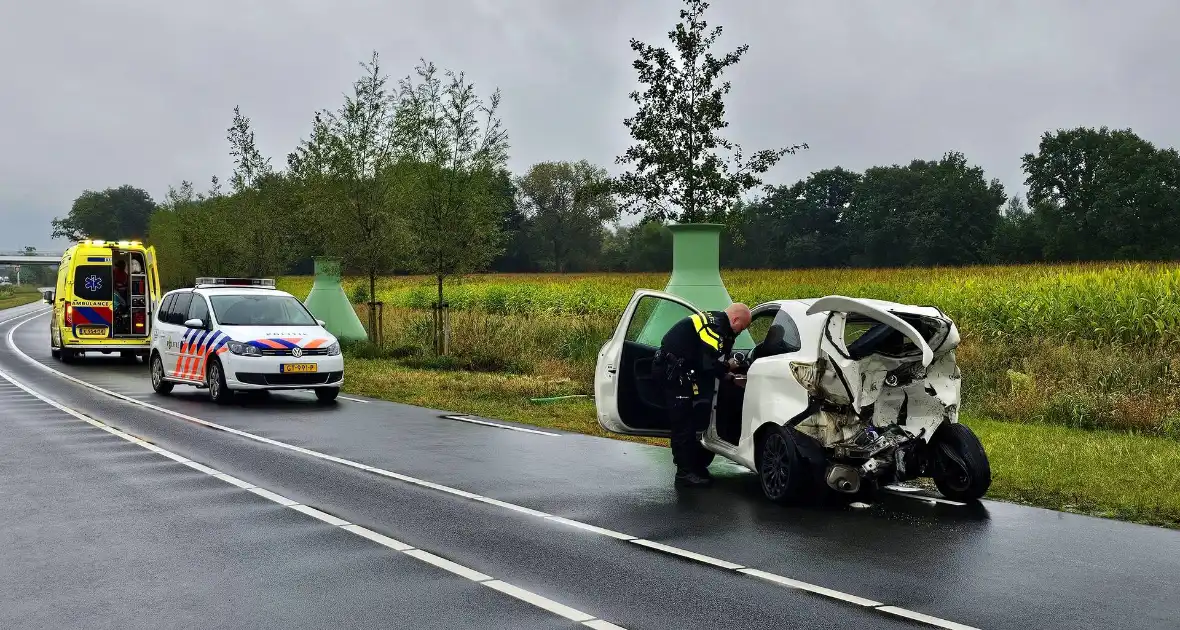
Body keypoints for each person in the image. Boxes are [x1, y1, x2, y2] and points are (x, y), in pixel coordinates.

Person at [654, 303, 752, 487]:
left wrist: (726, 373)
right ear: (735, 319)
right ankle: (684, 474)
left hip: (678, 371)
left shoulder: (714, 320)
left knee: (689, 422)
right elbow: (708, 363)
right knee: (683, 424)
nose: (741, 331)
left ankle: (692, 467)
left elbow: (706, 357)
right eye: (743, 327)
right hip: (674, 374)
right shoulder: (714, 328)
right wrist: (727, 373)